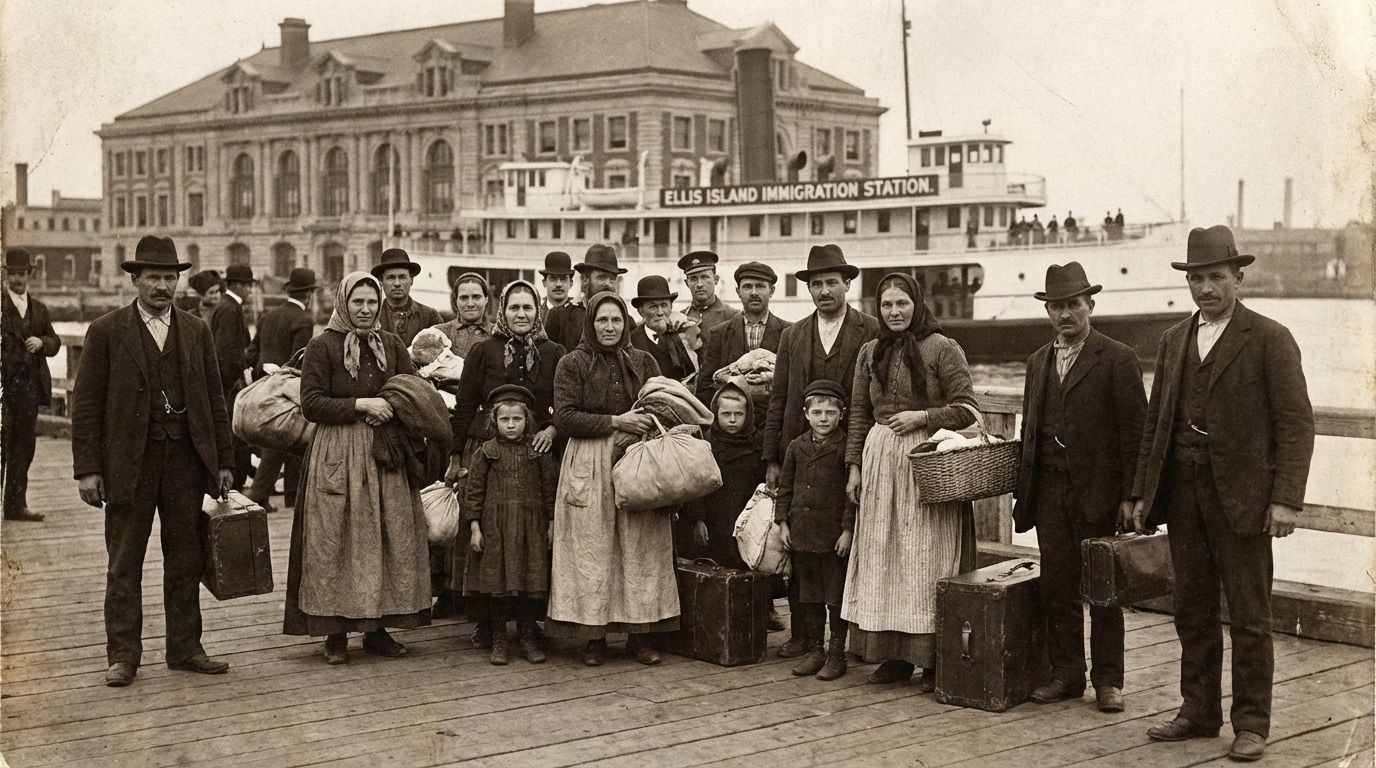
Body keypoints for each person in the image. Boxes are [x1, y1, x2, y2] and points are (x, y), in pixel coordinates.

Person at [1131, 225, 1314, 762]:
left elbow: (1296, 424)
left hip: (1245, 500)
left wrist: (1285, 500)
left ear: (1238, 277)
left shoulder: (1270, 338)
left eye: (1215, 277)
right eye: (1196, 279)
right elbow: (1155, 428)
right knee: (1191, 608)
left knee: (1251, 615)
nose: (1205, 288)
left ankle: (1252, 723)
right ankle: (1198, 711)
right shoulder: (1172, 341)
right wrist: (1144, 493)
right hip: (1184, 494)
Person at [70, 235, 234, 687]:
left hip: (184, 461)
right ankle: (123, 654)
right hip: (129, 464)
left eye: (170, 277)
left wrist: (222, 461)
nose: (163, 286)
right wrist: (88, 469)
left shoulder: (196, 330)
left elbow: (215, 401)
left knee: (185, 558)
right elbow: (84, 406)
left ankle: (185, 647)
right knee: (124, 561)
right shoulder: (106, 331)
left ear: (179, 281)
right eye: (154, 277)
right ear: (135, 280)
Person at [1013, 262, 1146, 714]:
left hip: (1099, 495)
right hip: (1049, 493)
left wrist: (1131, 497)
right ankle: (1067, 675)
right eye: (1057, 307)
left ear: (1090, 305)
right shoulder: (1037, 361)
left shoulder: (1117, 357)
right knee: (1057, 586)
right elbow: (1030, 429)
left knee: (1104, 589)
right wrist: (1024, 491)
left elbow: (1135, 434)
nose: (1065, 314)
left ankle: (1109, 681)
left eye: (1073, 305)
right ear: (1048, 311)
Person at [284, 272, 436, 665]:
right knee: (335, 539)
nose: (366, 310)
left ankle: (377, 629)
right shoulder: (322, 347)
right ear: (343, 304)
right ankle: (334, 632)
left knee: (386, 538)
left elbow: (412, 389)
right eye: (358, 303)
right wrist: (361, 405)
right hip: (337, 453)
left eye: (372, 302)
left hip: (384, 455)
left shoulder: (392, 344)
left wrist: (396, 406)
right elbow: (312, 404)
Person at [840, 272, 978, 689]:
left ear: (917, 305)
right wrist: (854, 467)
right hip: (881, 459)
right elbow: (860, 414)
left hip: (926, 461)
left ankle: (931, 657)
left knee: (925, 557)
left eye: (902, 304)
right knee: (885, 557)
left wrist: (923, 417)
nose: (894, 312)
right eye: (886, 305)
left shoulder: (941, 348)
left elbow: (967, 408)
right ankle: (894, 655)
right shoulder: (869, 352)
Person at [547, 291, 678, 667]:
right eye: (602, 320)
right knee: (593, 548)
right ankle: (594, 637)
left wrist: (646, 425)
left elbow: (663, 405)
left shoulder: (643, 360)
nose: (609, 327)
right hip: (590, 460)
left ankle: (640, 635)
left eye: (616, 320)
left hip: (637, 459)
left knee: (640, 547)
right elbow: (565, 418)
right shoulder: (572, 364)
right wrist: (615, 421)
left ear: (626, 324)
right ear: (591, 323)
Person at [764, 244, 879, 658]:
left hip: (852, 458)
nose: (825, 290)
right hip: (802, 456)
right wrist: (773, 458)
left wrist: (860, 461)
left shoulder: (870, 330)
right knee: (802, 548)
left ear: (847, 284)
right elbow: (779, 398)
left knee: (845, 548)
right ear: (809, 290)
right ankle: (803, 635)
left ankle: (847, 640)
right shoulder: (793, 335)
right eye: (817, 284)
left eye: (832, 282)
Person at [445, 278, 567, 645]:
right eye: (514, 307)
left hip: (537, 454)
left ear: (538, 310)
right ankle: (487, 621)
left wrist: (553, 430)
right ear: (502, 310)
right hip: (488, 451)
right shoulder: (484, 351)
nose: (521, 314)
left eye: (528, 307)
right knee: (488, 536)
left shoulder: (554, 353)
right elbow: (465, 404)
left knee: (532, 536)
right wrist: (456, 457)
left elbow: (564, 403)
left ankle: (531, 620)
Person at [462, 384, 559, 666]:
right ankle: (499, 639)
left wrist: (551, 523)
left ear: (527, 420)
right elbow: (474, 491)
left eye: (517, 419)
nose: (511, 425)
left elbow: (549, 490)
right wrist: (475, 527)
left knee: (530, 583)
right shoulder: (486, 451)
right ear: (494, 421)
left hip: (531, 529)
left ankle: (528, 636)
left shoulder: (538, 451)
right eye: (504, 420)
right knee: (498, 585)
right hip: (496, 529)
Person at [775, 379, 854, 681]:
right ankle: (814, 650)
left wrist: (847, 531)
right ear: (806, 414)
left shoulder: (846, 448)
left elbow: (852, 496)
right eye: (817, 412)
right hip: (802, 535)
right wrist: (783, 523)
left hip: (832, 538)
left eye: (830, 413)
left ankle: (836, 654)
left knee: (834, 597)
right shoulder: (797, 447)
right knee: (809, 596)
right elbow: (784, 489)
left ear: (841, 415)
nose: (823, 419)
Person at [243, 267, 318, 511]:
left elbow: (252, 352)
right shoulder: (304, 320)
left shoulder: (268, 316)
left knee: (276, 440)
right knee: (289, 439)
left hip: (263, 384)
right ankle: (269, 495)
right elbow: (299, 359)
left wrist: (261, 373)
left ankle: (269, 495)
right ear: (309, 295)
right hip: (286, 387)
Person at [3, 248, 61, 522]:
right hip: (2, 390)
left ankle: (16, 505)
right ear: (6, 274)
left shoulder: (39, 309)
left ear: (29, 275)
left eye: (22, 274)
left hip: (28, 390)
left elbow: (55, 342)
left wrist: (42, 343)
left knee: (24, 447)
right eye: (12, 273)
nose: (17, 279)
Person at [695, 261, 789, 427]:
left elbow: (793, 385)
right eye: (747, 287)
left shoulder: (789, 332)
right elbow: (705, 386)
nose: (753, 293)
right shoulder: (720, 333)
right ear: (738, 291)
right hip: (731, 431)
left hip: (774, 427)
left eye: (760, 286)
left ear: (772, 291)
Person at [211, 263, 256, 490]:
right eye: (248, 285)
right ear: (237, 285)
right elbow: (227, 351)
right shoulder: (230, 309)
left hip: (229, 382)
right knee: (235, 434)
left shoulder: (227, 306)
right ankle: (235, 484)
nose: (250, 290)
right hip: (230, 385)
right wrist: (237, 381)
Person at [545, 244, 625, 351]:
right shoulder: (559, 316)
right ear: (585, 279)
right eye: (602, 277)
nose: (608, 284)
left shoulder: (626, 320)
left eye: (612, 279)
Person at [629, 275, 697, 383]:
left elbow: (689, 376)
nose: (660, 312)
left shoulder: (678, 336)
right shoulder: (631, 341)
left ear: (671, 307)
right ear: (641, 311)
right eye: (653, 307)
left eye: (664, 305)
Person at [373, 248, 443, 345]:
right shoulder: (373, 316)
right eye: (391, 278)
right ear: (381, 282)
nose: (397, 283)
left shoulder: (430, 317)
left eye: (402, 277)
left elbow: (441, 354)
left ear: (411, 280)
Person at [432, 272, 493, 358]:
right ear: (455, 301)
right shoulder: (439, 333)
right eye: (464, 298)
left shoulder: (498, 335)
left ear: (486, 299)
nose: (470, 304)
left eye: (476, 297)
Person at [679, 250, 739, 333]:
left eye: (704, 277)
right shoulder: (681, 317)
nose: (699, 284)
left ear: (716, 279)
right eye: (693, 279)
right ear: (687, 283)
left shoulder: (733, 316)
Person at [540, 250, 575, 317]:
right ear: (544, 283)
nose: (558, 284)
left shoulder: (580, 314)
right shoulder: (537, 313)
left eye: (563, 279)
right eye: (553, 279)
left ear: (571, 283)